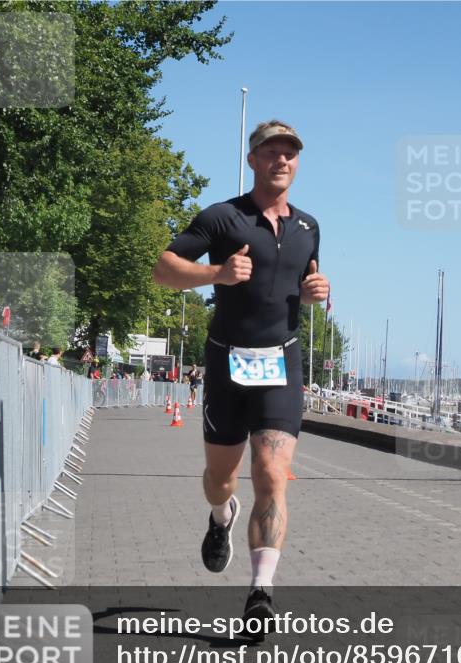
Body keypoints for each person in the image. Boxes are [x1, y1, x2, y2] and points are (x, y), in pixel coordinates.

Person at [152, 120, 329, 633]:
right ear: (252, 159)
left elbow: (307, 283)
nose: (282, 161)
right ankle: (219, 515)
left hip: (283, 362)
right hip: (228, 362)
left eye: (290, 154)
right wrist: (216, 274)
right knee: (221, 479)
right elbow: (164, 269)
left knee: (272, 475)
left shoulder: (308, 226)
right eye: (271, 152)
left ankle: (260, 594)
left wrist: (319, 292)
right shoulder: (221, 217)